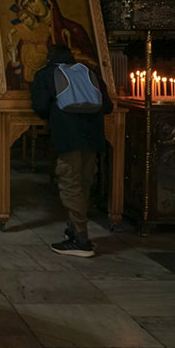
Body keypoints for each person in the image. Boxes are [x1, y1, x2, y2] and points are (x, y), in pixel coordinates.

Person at [31, 44, 113, 257]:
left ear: (49, 57)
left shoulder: (46, 74)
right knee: (84, 184)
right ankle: (74, 230)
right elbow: (107, 106)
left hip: (68, 137)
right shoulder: (89, 72)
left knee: (70, 184)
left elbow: (40, 107)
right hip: (93, 138)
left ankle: (81, 240)